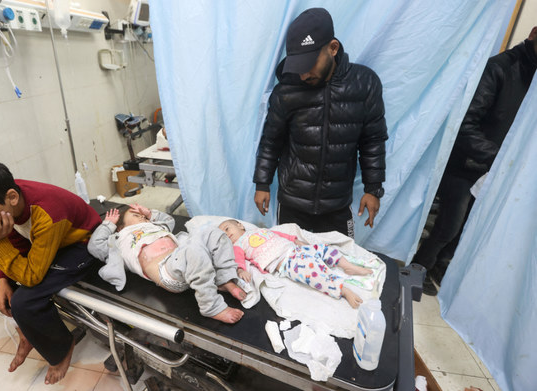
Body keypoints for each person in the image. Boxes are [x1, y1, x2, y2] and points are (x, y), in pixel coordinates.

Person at [0, 156, 101, 385]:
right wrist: (1, 278)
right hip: (42, 242)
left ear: (12, 198)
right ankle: (26, 331)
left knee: (25, 301)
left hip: (80, 245)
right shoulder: (8, 200)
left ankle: (62, 347)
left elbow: (31, 276)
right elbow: (18, 239)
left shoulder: (47, 212)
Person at [413, 26, 537, 296]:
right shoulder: (500, 68)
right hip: (467, 164)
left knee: (470, 227)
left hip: (494, 169)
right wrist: (498, 157)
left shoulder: (532, 78)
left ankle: (439, 266)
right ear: (533, 33)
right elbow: (466, 124)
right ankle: (418, 267)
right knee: (449, 225)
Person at [253, 8, 388, 238]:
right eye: (298, 66)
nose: (304, 75)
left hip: (337, 204)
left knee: (340, 267)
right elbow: (271, 140)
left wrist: (373, 189)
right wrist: (262, 184)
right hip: (292, 203)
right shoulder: (286, 90)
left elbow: (373, 140)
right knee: (287, 265)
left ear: (332, 48)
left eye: (309, 64)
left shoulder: (365, 84)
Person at [88, 204, 246, 323]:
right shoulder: (119, 238)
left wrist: (149, 213)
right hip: (167, 271)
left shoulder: (153, 225)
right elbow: (95, 247)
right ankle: (211, 307)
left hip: (184, 259)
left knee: (214, 233)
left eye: (143, 216)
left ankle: (224, 279)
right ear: (120, 226)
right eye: (136, 215)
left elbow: (169, 221)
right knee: (192, 251)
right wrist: (108, 224)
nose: (142, 217)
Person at [218, 219, 372, 308]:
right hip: (287, 263)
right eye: (223, 235)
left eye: (227, 228)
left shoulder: (260, 230)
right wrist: (241, 270)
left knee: (324, 249)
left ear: (240, 225)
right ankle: (343, 290)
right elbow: (238, 260)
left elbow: (278, 234)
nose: (227, 234)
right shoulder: (238, 245)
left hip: (295, 250)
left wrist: (294, 240)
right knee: (314, 274)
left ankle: (347, 266)